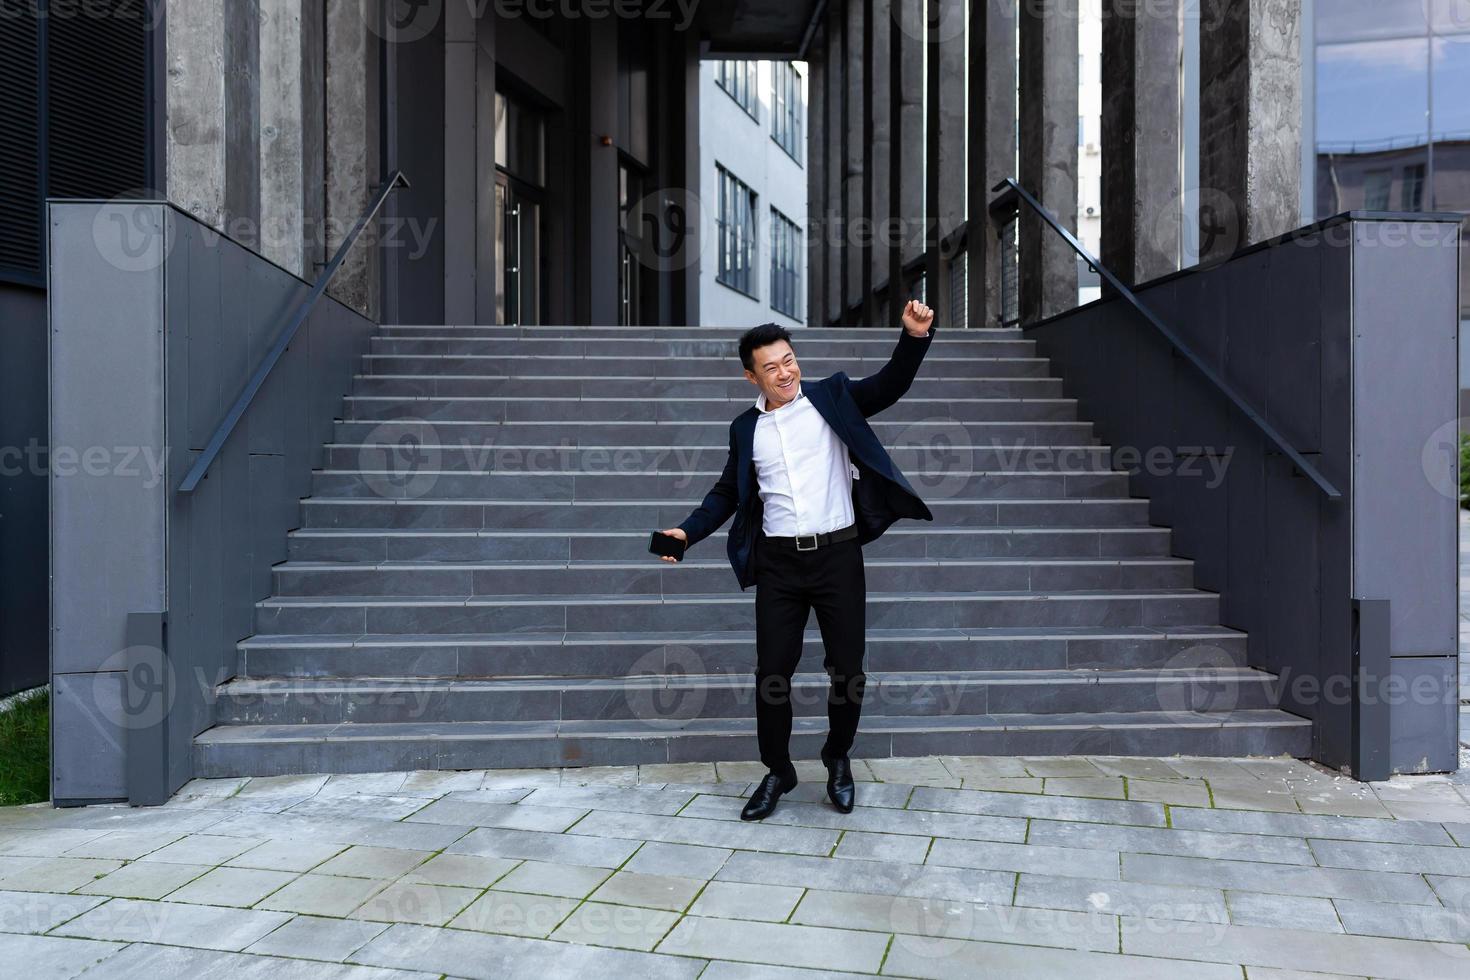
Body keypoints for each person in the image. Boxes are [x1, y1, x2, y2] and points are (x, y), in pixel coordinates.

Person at [657, 300, 937, 820]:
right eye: (771, 366)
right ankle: (778, 771)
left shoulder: (831, 398)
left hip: (838, 558)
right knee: (773, 675)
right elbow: (725, 494)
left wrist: (914, 337)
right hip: (780, 566)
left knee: (848, 671)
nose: (784, 372)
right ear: (751, 376)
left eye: (788, 359)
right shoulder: (746, 429)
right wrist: (685, 533)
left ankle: (836, 758)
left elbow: (890, 385)